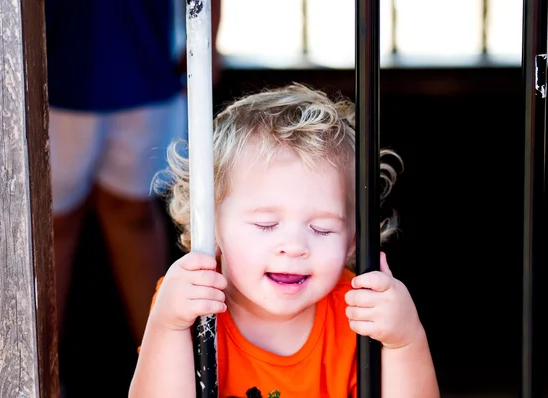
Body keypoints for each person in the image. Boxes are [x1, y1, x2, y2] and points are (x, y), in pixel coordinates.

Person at [129, 83, 439, 397]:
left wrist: (404, 342)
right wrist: (167, 326)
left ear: (354, 240)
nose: (294, 247)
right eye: (266, 224)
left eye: (321, 229)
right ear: (212, 226)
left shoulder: (358, 314)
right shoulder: (191, 302)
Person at [44, 0, 222, 349]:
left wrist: (207, 42)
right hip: (53, 66)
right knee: (51, 225)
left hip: (146, 60)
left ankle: (164, 365)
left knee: (134, 213)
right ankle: (39, 373)